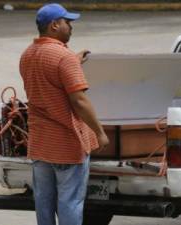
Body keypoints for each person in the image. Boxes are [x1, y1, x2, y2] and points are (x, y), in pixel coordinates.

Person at [19, 3, 109, 225]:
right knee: (70, 201)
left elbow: (49, 74)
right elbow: (79, 100)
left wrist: (73, 60)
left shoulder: (28, 54)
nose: (71, 27)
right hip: (67, 145)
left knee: (43, 201)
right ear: (54, 25)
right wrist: (99, 132)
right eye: (68, 23)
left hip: (40, 145)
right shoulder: (63, 57)